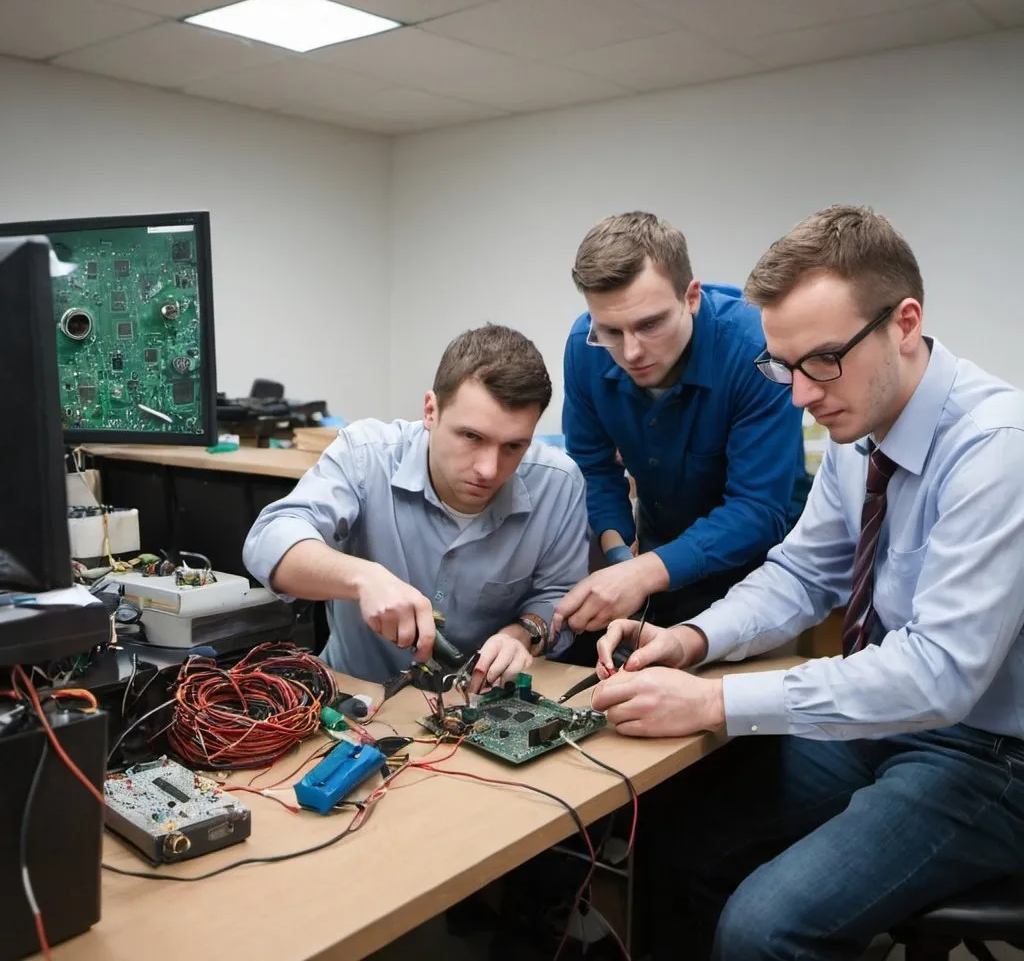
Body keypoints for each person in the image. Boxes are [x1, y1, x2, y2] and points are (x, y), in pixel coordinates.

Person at [593, 205, 1024, 960]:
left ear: (905, 322)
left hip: (991, 753)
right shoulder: (861, 425)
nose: (800, 395)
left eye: (821, 360)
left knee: (763, 929)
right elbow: (804, 572)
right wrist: (693, 639)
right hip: (896, 720)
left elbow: (939, 674)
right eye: (782, 366)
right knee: (669, 830)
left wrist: (716, 700)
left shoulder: (998, 450)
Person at [243, 324, 588, 690]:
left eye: (513, 447)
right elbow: (269, 540)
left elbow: (558, 600)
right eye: (471, 436)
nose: (489, 469)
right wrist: (364, 578)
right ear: (430, 411)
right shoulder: (365, 456)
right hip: (356, 697)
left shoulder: (558, 483)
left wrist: (522, 634)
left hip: (477, 709)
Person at [556, 211, 807, 640]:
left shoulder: (757, 351)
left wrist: (641, 574)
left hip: (760, 573)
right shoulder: (585, 348)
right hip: (655, 560)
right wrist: (620, 556)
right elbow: (594, 470)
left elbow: (758, 508)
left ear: (690, 296)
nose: (631, 351)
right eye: (611, 331)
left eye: (650, 324)